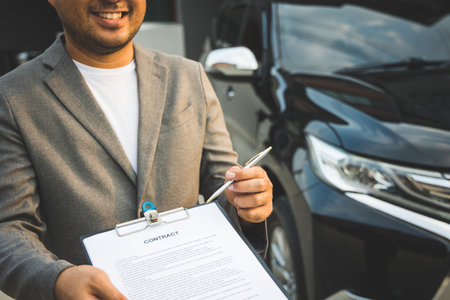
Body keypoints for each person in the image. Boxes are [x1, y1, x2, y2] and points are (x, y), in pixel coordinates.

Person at [0, 0, 273, 299]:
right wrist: (58, 279)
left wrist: (247, 203)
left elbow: (222, 185)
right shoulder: (13, 98)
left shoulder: (188, 76)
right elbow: (10, 227)